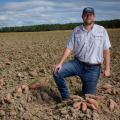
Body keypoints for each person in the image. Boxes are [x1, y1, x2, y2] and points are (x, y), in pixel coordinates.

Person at [53, 7, 111, 101]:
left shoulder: (102, 30)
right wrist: (60, 63)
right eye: (86, 14)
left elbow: (106, 50)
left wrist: (107, 68)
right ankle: (66, 98)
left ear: (94, 16)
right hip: (78, 64)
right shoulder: (77, 30)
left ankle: (85, 89)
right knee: (57, 73)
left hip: (93, 69)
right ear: (82, 16)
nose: (88, 16)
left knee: (88, 96)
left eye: (90, 14)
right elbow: (69, 48)